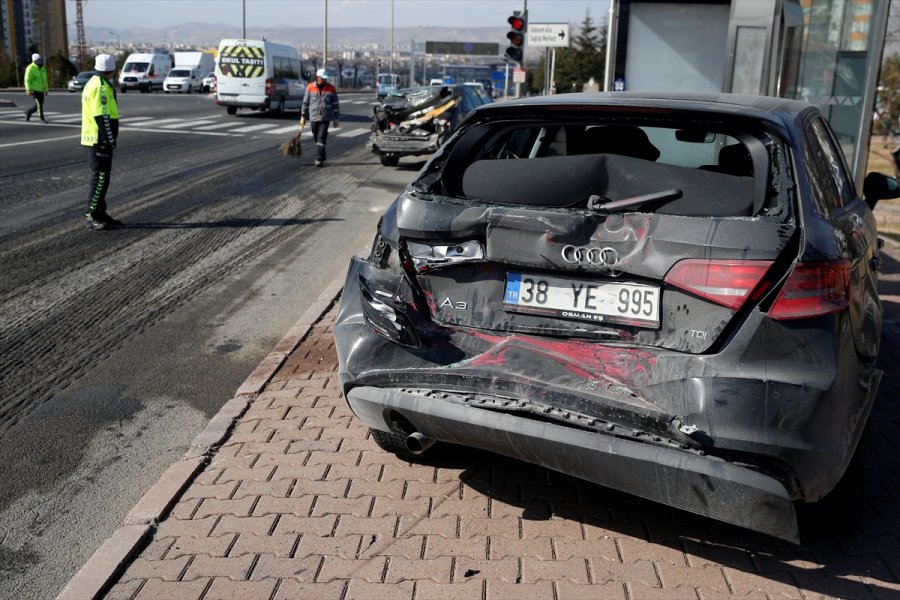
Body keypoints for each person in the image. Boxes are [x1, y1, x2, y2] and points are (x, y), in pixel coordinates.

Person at [81, 54, 122, 230]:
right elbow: (101, 115)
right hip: (98, 139)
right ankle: (92, 214)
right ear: (111, 70)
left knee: (102, 178)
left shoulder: (93, 82)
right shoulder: (101, 87)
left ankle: (100, 212)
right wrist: (109, 139)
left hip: (95, 138)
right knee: (100, 177)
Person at [300, 68, 340, 167]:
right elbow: (305, 103)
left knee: (321, 138)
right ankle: (322, 154)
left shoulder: (331, 88)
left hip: (325, 118)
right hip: (313, 117)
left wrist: (336, 118)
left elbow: (335, 104)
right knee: (316, 138)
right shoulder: (310, 87)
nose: (325, 80)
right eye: (323, 78)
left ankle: (318, 158)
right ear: (318, 78)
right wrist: (303, 116)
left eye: (326, 78)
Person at [24, 53, 48, 122]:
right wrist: (28, 89)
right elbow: (27, 80)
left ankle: (28, 112)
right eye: (38, 60)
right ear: (34, 61)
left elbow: (45, 80)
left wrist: (46, 89)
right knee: (39, 104)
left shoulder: (42, 68)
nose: (39, 61)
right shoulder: (30, 68)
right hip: (34, 89)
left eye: (40, 60)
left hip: (41, 90)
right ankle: (41, 118)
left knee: (39, 105)